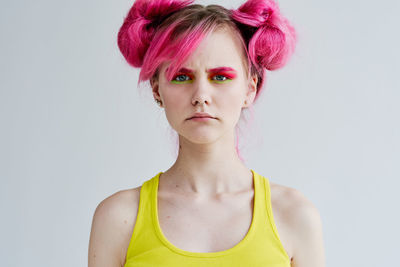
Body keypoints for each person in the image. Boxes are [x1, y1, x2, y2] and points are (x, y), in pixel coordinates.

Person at [88, 0, 326, 266]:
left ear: (250, 88)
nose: (201, 96)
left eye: (220, 77)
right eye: (181, 76)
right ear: (156, 89)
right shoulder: (119, 218)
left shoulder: (294, 215)